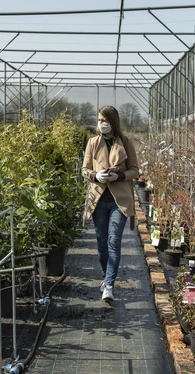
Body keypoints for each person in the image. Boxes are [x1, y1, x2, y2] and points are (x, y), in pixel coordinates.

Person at [81, 106, 139, 303]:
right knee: (102, 244)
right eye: (98, 120)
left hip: (118, 201)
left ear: (112, 122)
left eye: (104, 120)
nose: (100, 124)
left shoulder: (126, 142)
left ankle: (109, 286)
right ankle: (106, 279)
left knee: (114, 242)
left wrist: (119, 175)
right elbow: (84, 170)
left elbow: (135, 170)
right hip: (98, 200)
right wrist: (96, 176)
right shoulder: (92, 143)